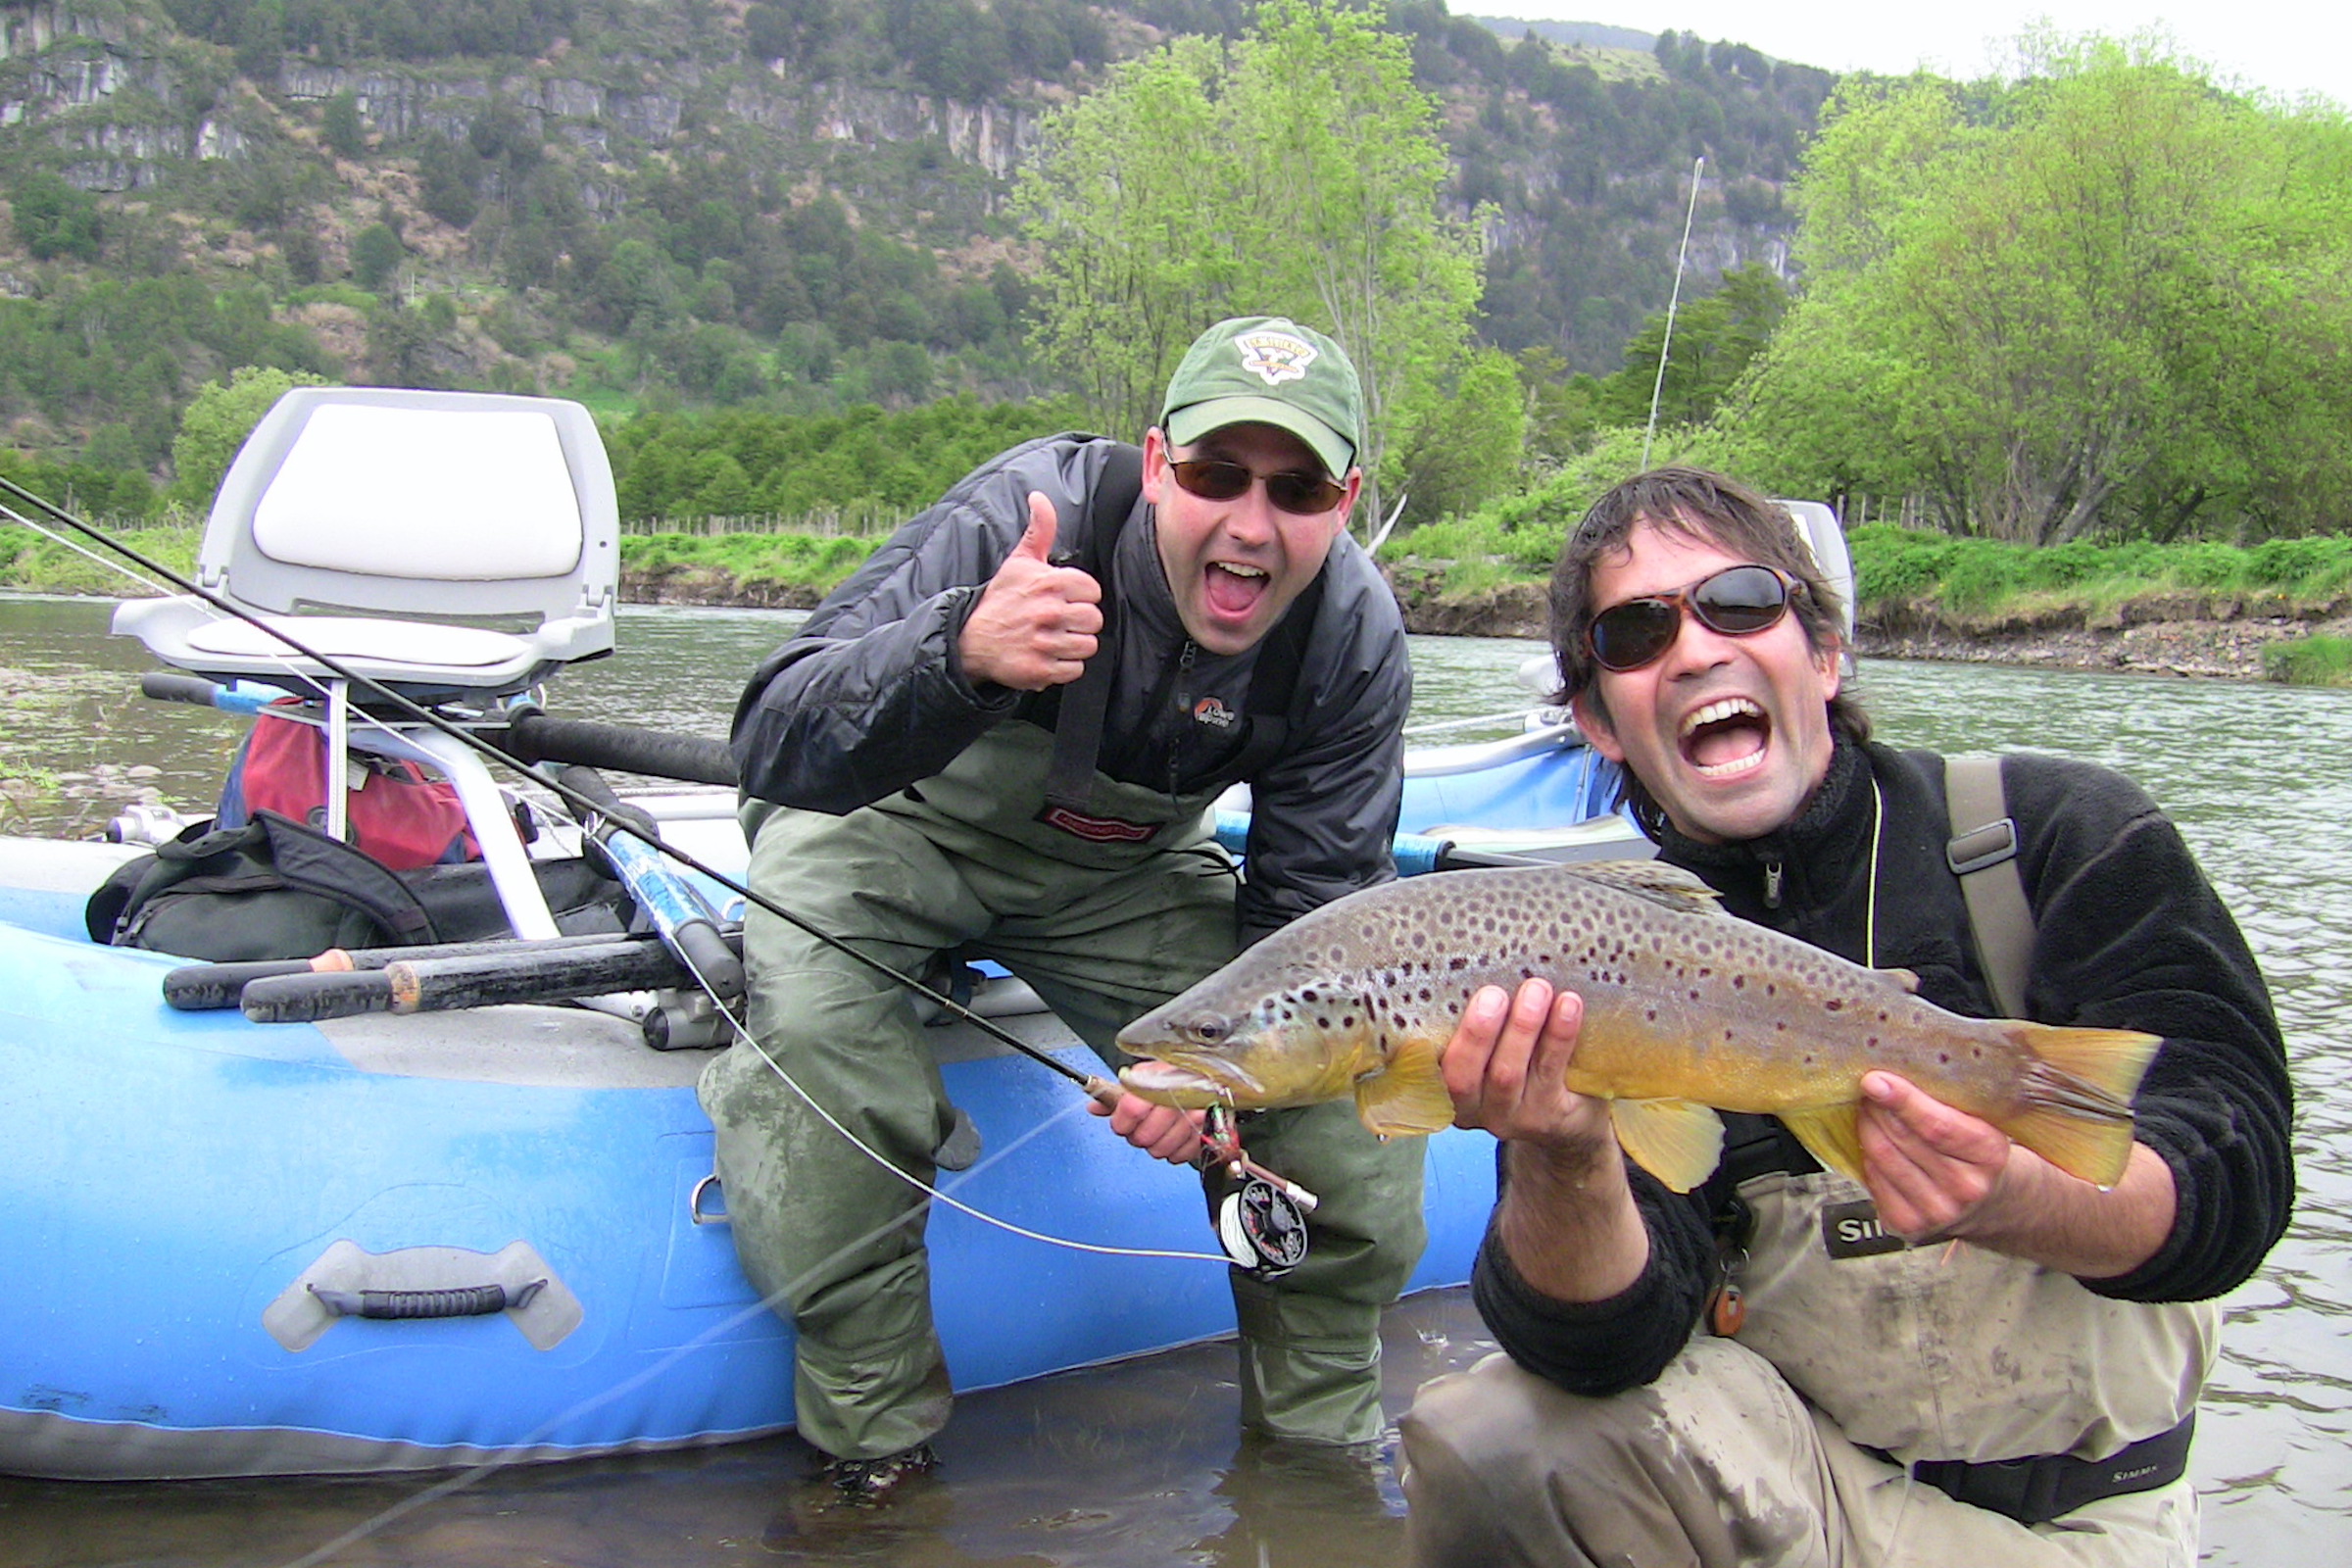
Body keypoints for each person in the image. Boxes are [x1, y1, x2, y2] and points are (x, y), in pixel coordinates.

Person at [1400, 466, 2293, 1566]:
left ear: (1824, 653)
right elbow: (1600, 1353)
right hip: (1808, 1499)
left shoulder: (2059, 836)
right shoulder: (1592, 950)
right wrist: (1566, 1155)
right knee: (1490, 1438)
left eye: (1738, 602)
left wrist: (2022, 1197)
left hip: (2091, 1522)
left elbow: (2239, 1175)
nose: (1695, 650)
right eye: (1635, 633)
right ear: (1598, 722)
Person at [707, 317, 1428, 1499]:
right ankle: (876, 1464)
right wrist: (958, 652)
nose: (1252, 522)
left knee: (1342, 1103)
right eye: (1217, 475)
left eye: (1297, 489)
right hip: (883, 829)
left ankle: (1319, 1469)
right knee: (821, 1047)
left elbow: (1312, 930)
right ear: (1157, 465)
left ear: (1344, 503)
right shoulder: (1025, 514)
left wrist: (1219, 1082)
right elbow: (774, 735)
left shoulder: (1351, 637)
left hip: (1120, 878)